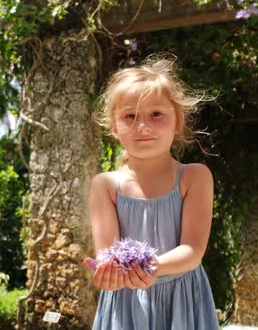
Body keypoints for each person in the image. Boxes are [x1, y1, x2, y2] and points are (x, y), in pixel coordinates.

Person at [83, 56, 220, 330]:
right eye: (130, 116)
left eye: (156, 114)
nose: (142, 126)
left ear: (177, 121)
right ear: (113, 125)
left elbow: (192, 251)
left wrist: (151, 266)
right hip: (125, 307)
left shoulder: (195, 177)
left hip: (183, 303)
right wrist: (107, 272)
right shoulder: (105, 185)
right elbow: (108, 253)